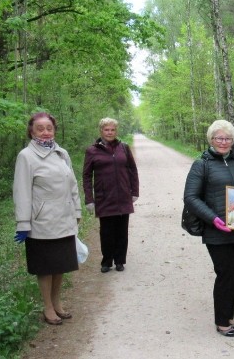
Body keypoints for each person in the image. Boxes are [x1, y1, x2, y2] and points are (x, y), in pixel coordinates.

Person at [183, 120, 234, 337]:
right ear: (211, 140)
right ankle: (221, 321)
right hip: (216, 230)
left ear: (233, 141)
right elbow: (190, 197)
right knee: (225, 272)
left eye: (227, 138)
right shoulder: (202, 164)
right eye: (219, 138)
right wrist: (213, 219)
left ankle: (228, 315)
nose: (223, 142)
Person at [13, 112, 81, 325]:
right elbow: (21, 191)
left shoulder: (62, 153)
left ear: (54, 130)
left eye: (49, 128)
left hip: (64, 219)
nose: (45, 132)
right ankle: (48, 307)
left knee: (60, 265)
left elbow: (73, 185)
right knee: (45, 267)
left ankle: (57, 303)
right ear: (31, 131)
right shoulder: (26, 156)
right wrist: (23, 223)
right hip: (41, 222)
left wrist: (77, 211)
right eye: (40, 128)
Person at [83, 117, 140, 273]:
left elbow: (132, 170)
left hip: (123, 196)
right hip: (104, 197)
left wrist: (134, 191)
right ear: (101, 131)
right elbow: (87, 176)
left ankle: (120, 260)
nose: (110, 132)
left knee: (122, 231)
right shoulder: (92, 150)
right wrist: (89, 199)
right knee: (107, 231)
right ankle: (107, 261)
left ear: (116, 131)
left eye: (112, 129)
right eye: (106, 129)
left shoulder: (124, 147)